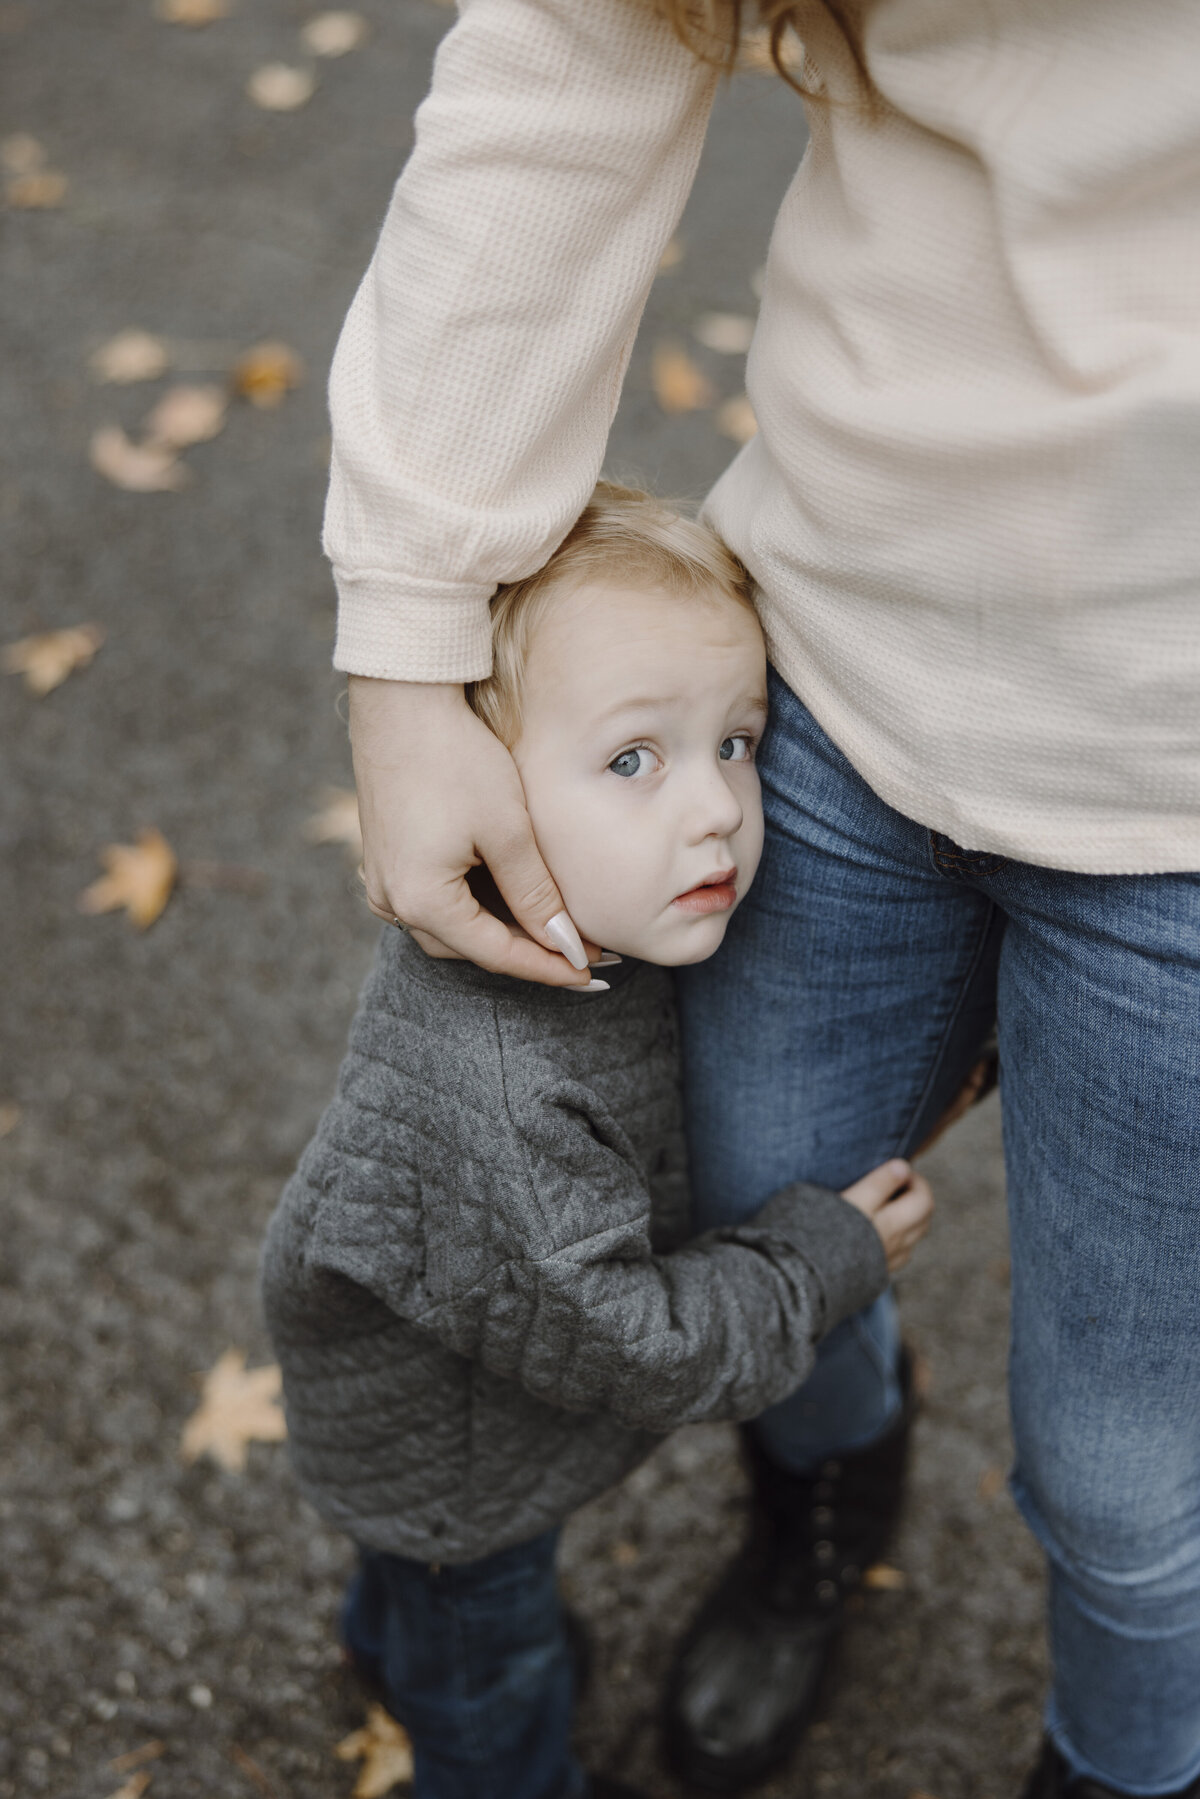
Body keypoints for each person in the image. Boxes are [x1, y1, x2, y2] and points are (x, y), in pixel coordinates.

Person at [322, 3, 1200, 1793]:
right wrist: (412, 639)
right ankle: (829, 1484)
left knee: (1125, 1464)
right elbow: (578, 44)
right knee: (756, 1200)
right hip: (835, 656)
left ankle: (1128, 1761)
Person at [260, 485, 935, 1799]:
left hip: (412, 1408)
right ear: (485, 790)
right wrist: (820, 1258)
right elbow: (636, 1341)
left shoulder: (584, 924)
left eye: (736, 744)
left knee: (426, 1609)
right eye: (635, 759)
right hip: (460, 1481)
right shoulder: (508, 1093)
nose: (718, 814)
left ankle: (383, 1638)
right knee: (491, 1688)